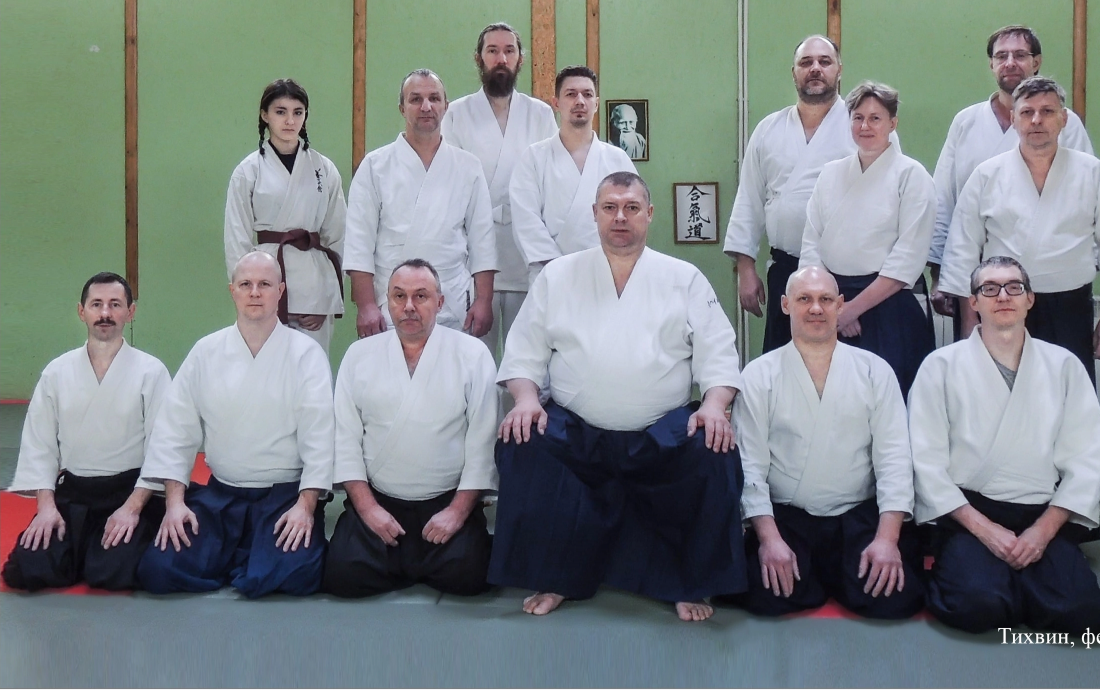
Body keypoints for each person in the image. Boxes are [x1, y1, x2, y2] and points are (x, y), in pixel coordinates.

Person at [490, 172, 745, 622]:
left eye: (631, 208)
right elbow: (524, 351)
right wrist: (526, 399)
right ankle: (556, 576)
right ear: (595, 214)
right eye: (610, 208)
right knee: (522, 440)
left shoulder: (683, 278)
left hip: (661, 434)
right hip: (577, 431)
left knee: (713, 449)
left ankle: (687, 581)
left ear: (649, 214)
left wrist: (713, 404)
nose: (620, 217)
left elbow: (719, 353)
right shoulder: (558, 275)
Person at [909, 256, 1100, 635]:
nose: (1003, 296)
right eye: (989, 288)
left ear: (1030, 299)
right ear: (973, 302)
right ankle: (1003, 583)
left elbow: (1086, 460)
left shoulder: (1064, 366)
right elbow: (926, 463)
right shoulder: (940, 366)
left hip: (1043, 514)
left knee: (1084, 615)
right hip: (970, 516)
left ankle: (1021, 581)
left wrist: (1042, 533)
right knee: (979, 607)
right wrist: (986, 531)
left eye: (1014, 287)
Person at [724, 265, 923, 618]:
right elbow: (750, 466)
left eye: (826, 299)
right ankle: (817, 572)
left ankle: (830, 573)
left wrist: (887, 539)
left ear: (840, 305)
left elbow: (894, 459)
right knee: (763, 593)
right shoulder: (759, 375)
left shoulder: (874, 371)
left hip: (856, 516)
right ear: (785, 305)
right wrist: (769, 540)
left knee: (894, 598)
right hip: (787, 518)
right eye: (805, 299)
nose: (816, 308)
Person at [135, 252, 335, 598]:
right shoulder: (206, 351)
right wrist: (175, 504)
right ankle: (245, 556)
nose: (254, 292)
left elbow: (320, 435)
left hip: (284, 498)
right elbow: (175, 430)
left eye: (264, 284)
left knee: (298, 575)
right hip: (221, 497)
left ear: (280, 291)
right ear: (233, 291)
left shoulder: (306, 353)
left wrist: (306, 507)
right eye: (246, 284)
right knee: (158, 569)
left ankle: (241, 557)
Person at [937, 76, 1100, 382]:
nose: (1036, 120)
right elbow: (962, 249)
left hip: (1070, 306)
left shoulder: (1092, 172)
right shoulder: (987, 175)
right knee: (998, 392)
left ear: (1064, 119)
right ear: (1014, 119)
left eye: (1047, 111)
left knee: (1067, 393)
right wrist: (969, 320)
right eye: (1027, 112)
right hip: (1002, 303)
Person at [323, 259, 498, 598]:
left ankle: (412, 561)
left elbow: (482, 442)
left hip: (446, 501)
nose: (409, 307)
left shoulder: (472, 354)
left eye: (421, 296)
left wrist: (457, 513)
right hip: (380, 500)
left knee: (470, 576)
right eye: (399, 296)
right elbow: (345, 441)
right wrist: (368, 510)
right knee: (343, 575)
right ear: (387, 301)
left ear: (440, 302)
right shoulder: (359, 356)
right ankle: (413, 562)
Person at [723, 35, 899, 353]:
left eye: (824, 62)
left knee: (848, 367)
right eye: (806, 62)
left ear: (839, 70)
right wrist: (745, 269)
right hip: (786, 269)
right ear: (794, 73)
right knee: (785, 362)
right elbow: (749, 199)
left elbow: (887, 202)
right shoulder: (769, 129)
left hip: (849, 275)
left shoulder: (864, 126)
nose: (815, 68)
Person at [2, 273, 170, 592]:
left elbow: (163, 447)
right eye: (97, 304)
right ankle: (80, 549)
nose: (105, 313)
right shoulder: (56, 372)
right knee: (27, 569)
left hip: (129, 492)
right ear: (82, 312)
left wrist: (132, 509)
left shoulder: (152, 372)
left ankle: (104, 546)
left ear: (130, 312)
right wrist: (46, 508)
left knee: (111, 573)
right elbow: (40, 445)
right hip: (73, 494)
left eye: (115, 304)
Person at [928, 25, 1094, 327]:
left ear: (1036, 62)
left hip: (1054, 276)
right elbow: (944, 199)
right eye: (1001, 56)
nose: (1010, 63)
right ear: (991, 64)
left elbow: (1086, 204)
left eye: (1020, 55)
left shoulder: (1066, 125)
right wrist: (941, 273)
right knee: (980, 354)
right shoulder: (966, 122)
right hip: (978, 275)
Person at [799, 82, 935, 396]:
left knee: (891, 399)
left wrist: (852, 310)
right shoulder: (830, 174)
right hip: (831, 303)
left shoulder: (912, 176)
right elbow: (811, 243)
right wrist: (832, 305)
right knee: (832, 399)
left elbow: (907, 259)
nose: (865, 126)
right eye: (858, 118)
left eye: (875, 118)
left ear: (892, 123)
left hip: (889, 305)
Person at [345, 69, 497, 341]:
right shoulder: (375, 166)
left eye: (434, 98)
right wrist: (366, 305)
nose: (426, 107)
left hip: (452, 300)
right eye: (415, 99)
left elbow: (482, 240)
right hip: (392, 304)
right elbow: (358, 242)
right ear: (402, 108)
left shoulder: (468, 166)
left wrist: (484, 300)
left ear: (445, 106)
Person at [441, 23, 556, 365]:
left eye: (509, 51)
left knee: (526, 361)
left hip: (525, 254)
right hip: (474, 256)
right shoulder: (456, 113)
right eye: (492, 51)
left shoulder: (541, 114)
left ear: (521, 59)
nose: (501, 58)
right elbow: (450, 184)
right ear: (479, 58)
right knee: (476, 361)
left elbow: (550, 183)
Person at [225, 78, 346, 354]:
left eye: (298, 112)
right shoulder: (248, 170)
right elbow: (236, 238)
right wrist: (249, 293)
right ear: (264, 115)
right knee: (265, 364)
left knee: (311, 365)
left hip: (313, 286)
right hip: (266, 281)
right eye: (281, 112)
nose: (290, 121)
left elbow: (338, 235)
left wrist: (326, 299)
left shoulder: (324, 169)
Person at [509, 66, 639, 284]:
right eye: (571, 94)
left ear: (596, 103)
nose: (580, 101)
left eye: (587, 94)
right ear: (556, 103)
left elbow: (633, 216)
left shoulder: (618, 160)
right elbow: (525, 219)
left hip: (607, 272)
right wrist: (557, 268)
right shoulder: (534, 157)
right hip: (549, 275)